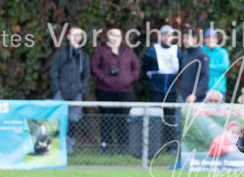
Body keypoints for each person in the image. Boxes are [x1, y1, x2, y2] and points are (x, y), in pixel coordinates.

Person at [91, 27, 140, 156]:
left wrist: (131, 78)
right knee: (106, 119)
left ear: (121, 37)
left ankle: (122, 148)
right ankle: (105, 146)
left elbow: (136, 67)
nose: (114, 38)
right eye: (112, 35)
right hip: (105, 91)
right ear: (108, 37)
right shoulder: (101, 51)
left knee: (122, 120)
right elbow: (94, 68)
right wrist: (104, 78)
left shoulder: (128, 52)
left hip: (125, 92)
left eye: (117, 36)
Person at [169, 28, 209, 169]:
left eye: (187, 38)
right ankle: (181, 160)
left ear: (195, 39)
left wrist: (195, 94)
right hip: (182, 98)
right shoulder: (185, 55)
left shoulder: (202, 55)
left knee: (196, 131)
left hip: (196, 100)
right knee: (179, 130)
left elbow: (205, 79)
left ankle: (199, 160)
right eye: (184, 38)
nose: (184, 41)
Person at [50, 27, 90, 155]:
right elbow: (53, 73)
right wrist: (57, 90)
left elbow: (86, 75)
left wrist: (81, 88)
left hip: (76, 94)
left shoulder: (83, 56)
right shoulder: (60, 53)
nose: (76, 37)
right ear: (68, 37)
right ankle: (53, 147)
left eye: (79, 35)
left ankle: (69, 147)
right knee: (56, 120)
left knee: (73, 121)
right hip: (61, 93)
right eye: (73, 35)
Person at [141, 24, 180, 155]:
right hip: (156, 89)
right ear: (160, 36)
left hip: (171, 90)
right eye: (164, 35)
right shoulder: (153, 50)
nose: (166, 37)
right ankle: (153, 146)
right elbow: (145, 66)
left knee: (170, 118)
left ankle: (170, 146)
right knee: (155, 117)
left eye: (168, 35)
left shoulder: (177, 51)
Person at [202, 28, 230, 101]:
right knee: (204, 111)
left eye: (213, 37)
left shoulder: (222, 52)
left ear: (216, 40)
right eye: (208, 37)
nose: (210, 40)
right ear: (205, 40)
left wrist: (208, 66)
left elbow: (225, 66)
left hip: (219, 87)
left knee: (220, 111)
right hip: (204, 87)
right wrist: (216, 68)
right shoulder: (201, 51)